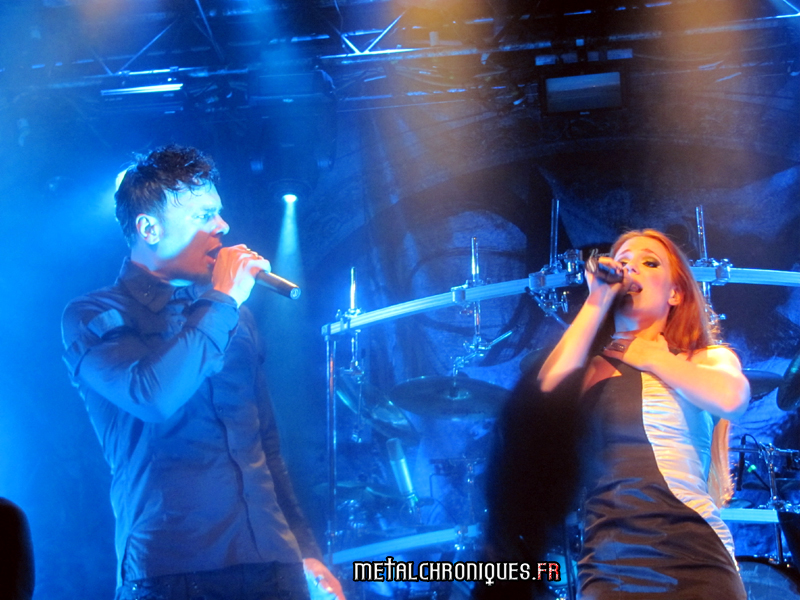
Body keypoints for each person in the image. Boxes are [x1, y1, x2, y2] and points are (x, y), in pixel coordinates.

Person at [61, 145, 344, 600]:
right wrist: (224, 299)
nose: (223, 226)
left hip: (275, 563)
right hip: (175, 573)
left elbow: (266, 446)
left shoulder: (234, 316)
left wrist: (305, 552)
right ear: (149, 229)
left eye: (220, 212)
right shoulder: (94, 314)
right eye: (204, 215)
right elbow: (152, 396)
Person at [536, 229, 750, 599]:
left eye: (649, 262)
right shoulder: (589, 369)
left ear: (674, 293)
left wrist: (647, 353)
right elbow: (544, 400)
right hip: (609, 566)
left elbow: (731, 398)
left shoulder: (702, 358)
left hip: (695, 559)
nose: (631, 269)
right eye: (623, 262)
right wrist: (597, 299)